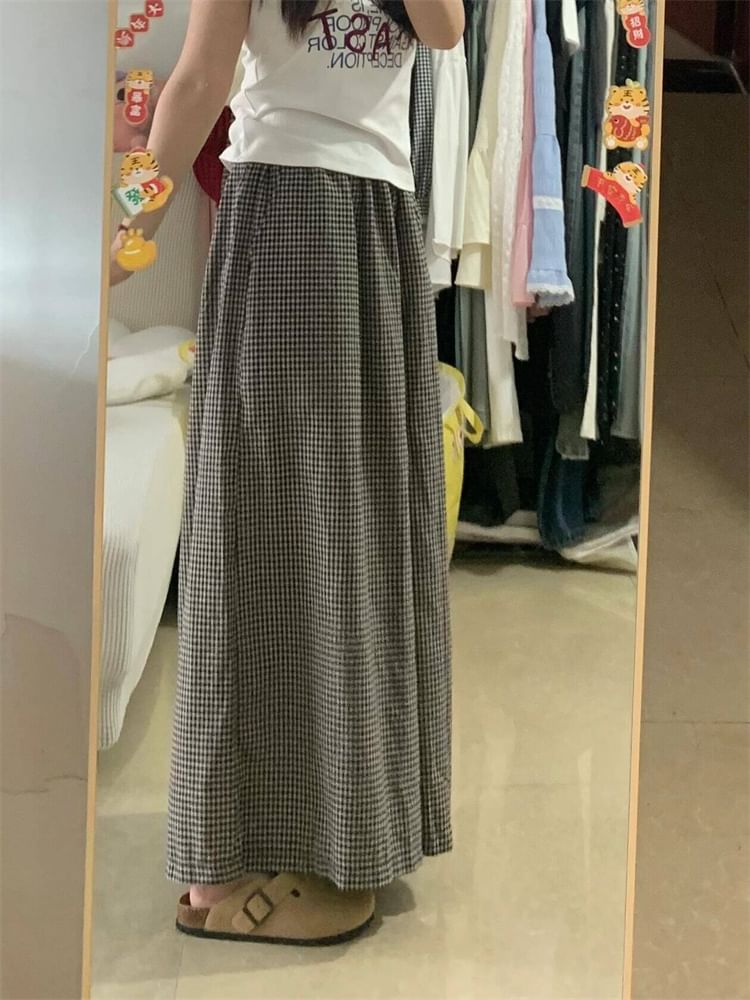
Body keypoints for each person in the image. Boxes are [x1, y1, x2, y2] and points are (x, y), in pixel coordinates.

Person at [111, 0, 463, 946]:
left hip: (378, 225)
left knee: (362, 532)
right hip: (282, 215)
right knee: (262, 529)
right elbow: (196, 83)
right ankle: (237, 846)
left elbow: (444, 30)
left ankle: (347, 828)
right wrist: (126, 234)